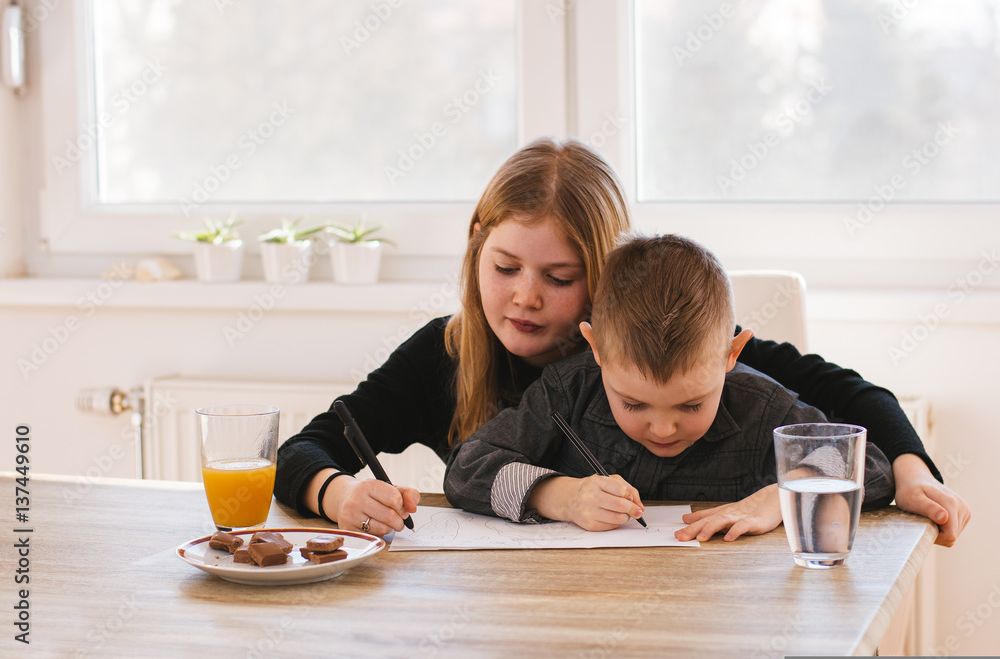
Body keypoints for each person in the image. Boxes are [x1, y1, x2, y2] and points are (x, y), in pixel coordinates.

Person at [273, 137, 969, 545]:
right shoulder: (446, 352)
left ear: (600, 286)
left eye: (559, 275)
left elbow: (846, 399)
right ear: (475, 253)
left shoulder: (664, 346)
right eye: (506, 268)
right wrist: (337, 495)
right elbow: (307, 448)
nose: (524, 295)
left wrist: (907, 473)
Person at [443, 234, 895, 537]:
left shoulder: (760, 406)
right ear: (595, 349)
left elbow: (868, 466)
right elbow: (467, 470)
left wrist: (778, 499)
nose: (663, 429)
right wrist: (563, 496)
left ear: (731, 355)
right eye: (634, 404)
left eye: (691, 404)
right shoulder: (568, 392)